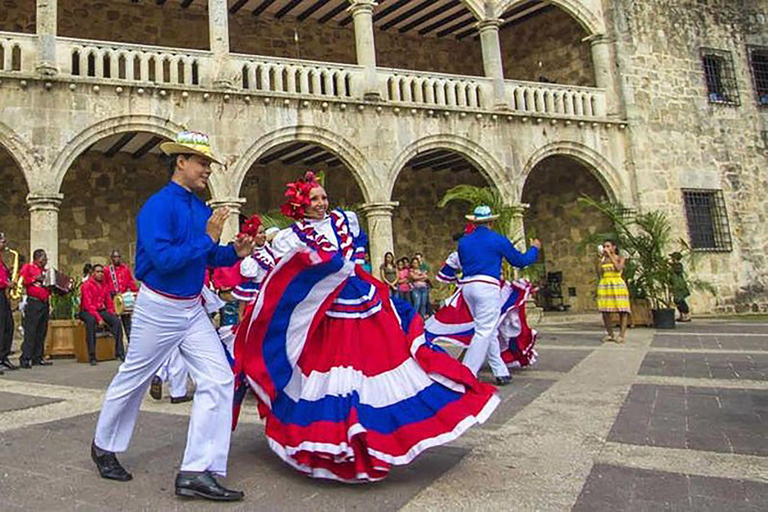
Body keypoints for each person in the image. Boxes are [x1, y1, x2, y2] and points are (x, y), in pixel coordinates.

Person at [233, 172, 499, 483]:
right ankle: (336, 439)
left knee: (380, 363)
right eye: (314, 199)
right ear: (300, 205)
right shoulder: (290, 237)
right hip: (326, 316)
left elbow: (355, 255)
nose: (322, 203)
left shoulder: (345, 222)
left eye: (324, 197)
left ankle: (374, 434)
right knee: (332, 374)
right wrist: (251, 255)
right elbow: (256, 268)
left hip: (363, 304)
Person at [91, 131, 254, 502]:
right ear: (180, 161)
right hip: (158, 307)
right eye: (202, 162)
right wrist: (210, 240)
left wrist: (235, 251)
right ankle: (103, 446)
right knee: (134, 376)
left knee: (219, 378)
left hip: (192, 308)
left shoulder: (199, 210)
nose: (208, 170)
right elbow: (163, 261)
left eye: (209, 164)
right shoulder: (158, 207)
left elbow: (208, 258)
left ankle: (196, 470)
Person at [434, 206, 540, 385]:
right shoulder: (497, 240)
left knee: (487, 329)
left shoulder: (464, 243)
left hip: (468, 287)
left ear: (474, 222)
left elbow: (456, 265)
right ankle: (466, 372)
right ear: (491, 221)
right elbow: (519, 261)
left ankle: (500, 371)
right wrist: (534, 249)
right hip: (487, 286)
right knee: (484, 331)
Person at [79, 264, 125, 365]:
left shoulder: (105, 285)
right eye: (98, 272)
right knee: (91, 321)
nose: (100, 274)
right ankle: (92, 355)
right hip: (87, 311)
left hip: (100, 310)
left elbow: (108, 302)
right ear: (93, 273)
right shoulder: (87, 285)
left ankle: (119, 352)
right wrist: (98, 318)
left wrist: (112, 313)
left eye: (101, 272)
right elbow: (88, 305)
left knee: (116, 321)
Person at [18, 249, 52, 369]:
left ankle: (37, 357)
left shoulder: (47, 271)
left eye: (46, 259)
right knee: (31, 331)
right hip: (33, 302)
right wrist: (34, 278)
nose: (46, 261)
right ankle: (25, 358)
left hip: (44, 303)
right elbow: (21, 280)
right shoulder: (28, 267)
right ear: (37, 258)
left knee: (41, 331)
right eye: (44, 259)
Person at [597, 239, 631, 343]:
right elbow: (599, 273)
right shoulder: (602, 260)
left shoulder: (620, 258)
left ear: (614, 247)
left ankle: (621, 335)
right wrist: (600, 259)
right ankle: (610, 333)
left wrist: (611, 256)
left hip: (617, 284)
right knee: (605, 311)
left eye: (608, 246)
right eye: (604, 246)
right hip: (605, 284)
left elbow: (618, 268)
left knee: (622, 310)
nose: (606, 248)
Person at [105, 249, 139, 338]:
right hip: (112, 299)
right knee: (116, 325)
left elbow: (131, 283)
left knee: (128, 325)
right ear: (111, 259)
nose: (117, 259)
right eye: (115, 257)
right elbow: (104, 285)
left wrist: (135, 293)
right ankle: (119, 349)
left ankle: (130, 345)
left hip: (123, 300)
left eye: (118, 257)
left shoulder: (125, 269)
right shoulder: (107, 270)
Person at [0, 232, 17, 372]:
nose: (4, 244)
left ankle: (4, 357)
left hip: (2, 295)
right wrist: (7, 283)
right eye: (2, 241)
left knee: (8, 326)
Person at [670, 252, 691, 322]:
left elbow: (677, 270)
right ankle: (681, 314)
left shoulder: (678, 266)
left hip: (679, 285)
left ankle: (686, 314)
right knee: (676, 301)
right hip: (675, 284)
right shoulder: (674, 266)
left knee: (680, 300)